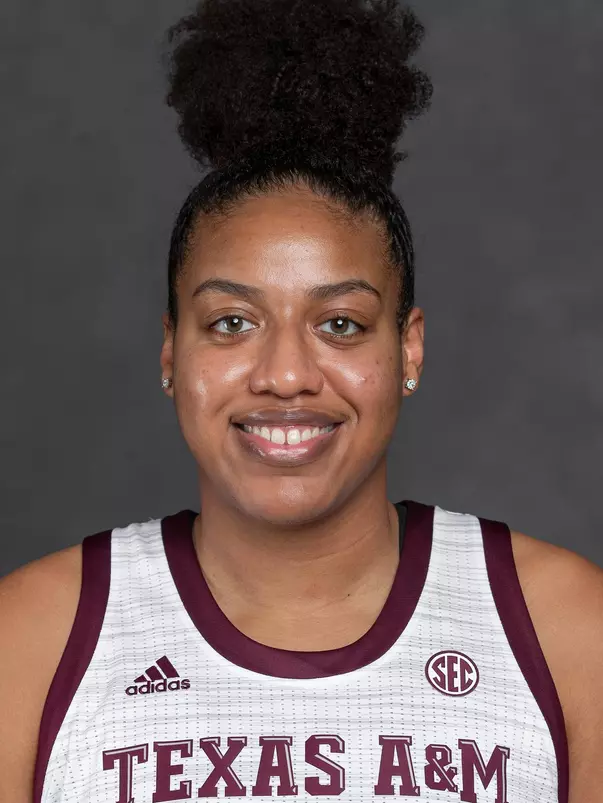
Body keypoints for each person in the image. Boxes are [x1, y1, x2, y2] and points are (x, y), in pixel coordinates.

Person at [1, 0, 602, 801]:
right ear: (173, 352)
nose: (285, 374)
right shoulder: (33, 639)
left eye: (341, 323)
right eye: (232, 321)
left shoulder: (564, 630)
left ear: (407, 349)